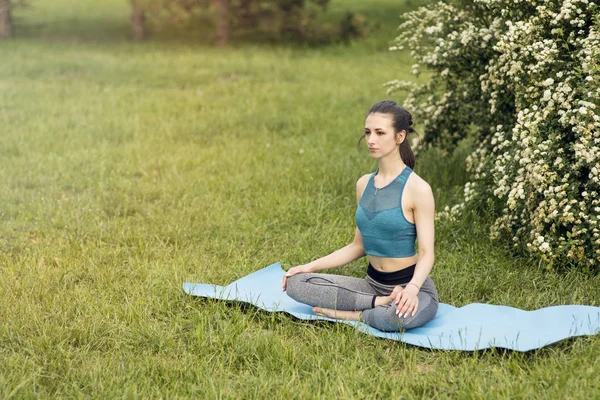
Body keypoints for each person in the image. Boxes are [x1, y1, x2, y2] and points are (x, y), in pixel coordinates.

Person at [281, 100, 439, 332]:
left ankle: (355, 315)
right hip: (372, 286)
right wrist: (309, 267)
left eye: (380, 133)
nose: (371, 140)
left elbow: (427, 254)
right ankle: (378, 305)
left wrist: (413, 289)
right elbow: (358, 246)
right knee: (296, 283)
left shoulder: (418, 189)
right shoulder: (363, 184)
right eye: (367, 133)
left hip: (411, 285)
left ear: (400, 137)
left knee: (394, 319)